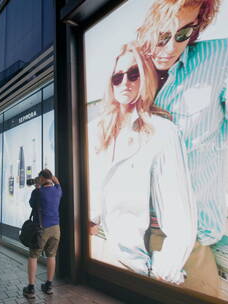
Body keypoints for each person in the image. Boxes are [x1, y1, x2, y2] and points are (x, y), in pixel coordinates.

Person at [136, 0, 228, 296]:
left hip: (187, 243)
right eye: (162, 36)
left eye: (183, 34)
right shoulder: (131, 72)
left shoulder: (226, 56)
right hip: (133, 236)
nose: (170, 48)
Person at [87, 41, 196, 284]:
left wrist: (160, 275)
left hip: (130, 264)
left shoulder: (162, 132)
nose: (125, 82)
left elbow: (180, 218)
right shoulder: (95, 130)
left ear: (146, 77)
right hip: (92, 250)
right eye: (117, 77)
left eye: (133, 74)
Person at [23, 170, 62, 299]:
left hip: (42, 229)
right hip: (56, 228)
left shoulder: (38, 192)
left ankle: (31, 288)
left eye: (39, 178)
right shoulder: (58, 191)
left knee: (33, 256)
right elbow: (57, 183)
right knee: (52, 256)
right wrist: (53, 180)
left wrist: (37, 188)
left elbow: (31, 204)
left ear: (41, 178)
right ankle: (49, 286)